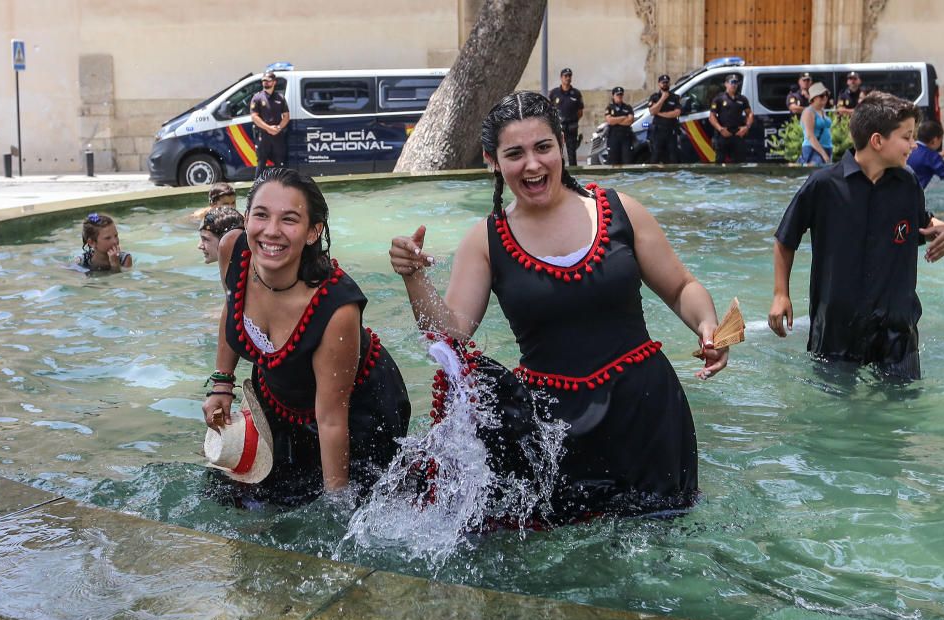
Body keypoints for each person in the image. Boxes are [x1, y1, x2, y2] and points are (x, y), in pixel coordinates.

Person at [389, 91, 728, 519]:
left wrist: (707, 324)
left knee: (662, 549)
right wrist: (413, 276)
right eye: (515, 153)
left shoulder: (621, 211)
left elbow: (681, 287)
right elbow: (452, 332)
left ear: (562, 146)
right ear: (492, 160)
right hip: (552, 429)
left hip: (647, 412)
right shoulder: (486, 240)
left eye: (543, 147)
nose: (532, 164)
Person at [203, 167, 410, 506]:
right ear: (246, 217)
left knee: (333, 506)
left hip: (357, 412)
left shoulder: (336, 308)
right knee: (233, 498)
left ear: (313, 232)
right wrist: (222, 384)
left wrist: (335, 506)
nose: (271, 232)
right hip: (280, 400)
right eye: (261, 215)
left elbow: (330, 419)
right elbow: (233, 308)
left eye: (289, 220)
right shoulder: (234, 249)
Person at [768, 92, 944, 381]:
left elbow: (922, 223)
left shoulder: (907, 184)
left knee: (899, 413)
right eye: (906, 137)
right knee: (837, 412)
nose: (913, 144)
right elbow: (785, 239)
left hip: (897, 330)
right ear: (878, 141)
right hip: (837, 328)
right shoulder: (824, 185)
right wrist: (781, 294)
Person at [250, 71, 290, 178]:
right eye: (263, 81)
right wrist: (268, 128)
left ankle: (281, 187)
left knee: (280, 163)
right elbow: (254, 117)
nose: (265, 83)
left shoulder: (280, 98)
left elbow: (286, 116)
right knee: (261, 163)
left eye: (268, 81)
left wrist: (279, 127)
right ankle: (257, 189)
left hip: (277, 135)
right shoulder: (257, 97)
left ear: (274, 82)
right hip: (263, 136)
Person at [709, 76, 754, 164]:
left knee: (739, 162)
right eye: (732, 82)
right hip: (723, 134)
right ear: (726, 84)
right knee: (720, 162)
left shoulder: (742, 99)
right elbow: (712, 116)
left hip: (738, 134)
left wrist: (746, 127)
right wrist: (720, 129)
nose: (734, 85)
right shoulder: (719, 98)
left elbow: (750, 114)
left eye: (736, 83)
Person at [548, 67, 585, 166]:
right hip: (558, 127)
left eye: (569, 76)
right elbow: (549, 110)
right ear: (561, 78)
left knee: (572, 152)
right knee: (557, 151)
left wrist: (572, 120)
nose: (568, 78)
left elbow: (580, 112)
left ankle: (574, 175)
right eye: (565, 76)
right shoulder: (554, 93)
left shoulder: (576, 93)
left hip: (572, 127)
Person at [647, 74, 682, 164]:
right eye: (663, 83)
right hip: (658, 132)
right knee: (655, 156)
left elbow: (676, 113)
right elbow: (652, 111)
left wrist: (660, 113)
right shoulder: (654, 97)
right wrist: (662, 99)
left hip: (671, 132)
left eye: (667, 82)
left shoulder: (675, 97)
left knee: (673, 157)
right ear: (659, 84)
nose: (665, 84)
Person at [799, 82, 833, 165]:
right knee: (814, 175)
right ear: (813, 98)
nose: (825, 97)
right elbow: (810, 136)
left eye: (826, 95)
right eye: (821, 96)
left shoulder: (822, 111)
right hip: (813, 150)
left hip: (827, 148)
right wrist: (824, 155)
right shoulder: (808, 112)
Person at [604, 86, 634, 165]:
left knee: (627, 160)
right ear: (613, 96)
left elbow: (630, 121)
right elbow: (610, 121)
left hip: (626, 137)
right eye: (617, 95)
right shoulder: (610, 107)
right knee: (614, 161)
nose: (619, 96)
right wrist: (623, 117)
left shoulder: (627, 107)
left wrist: (616, 120)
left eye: (621, 95)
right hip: (614, 137)